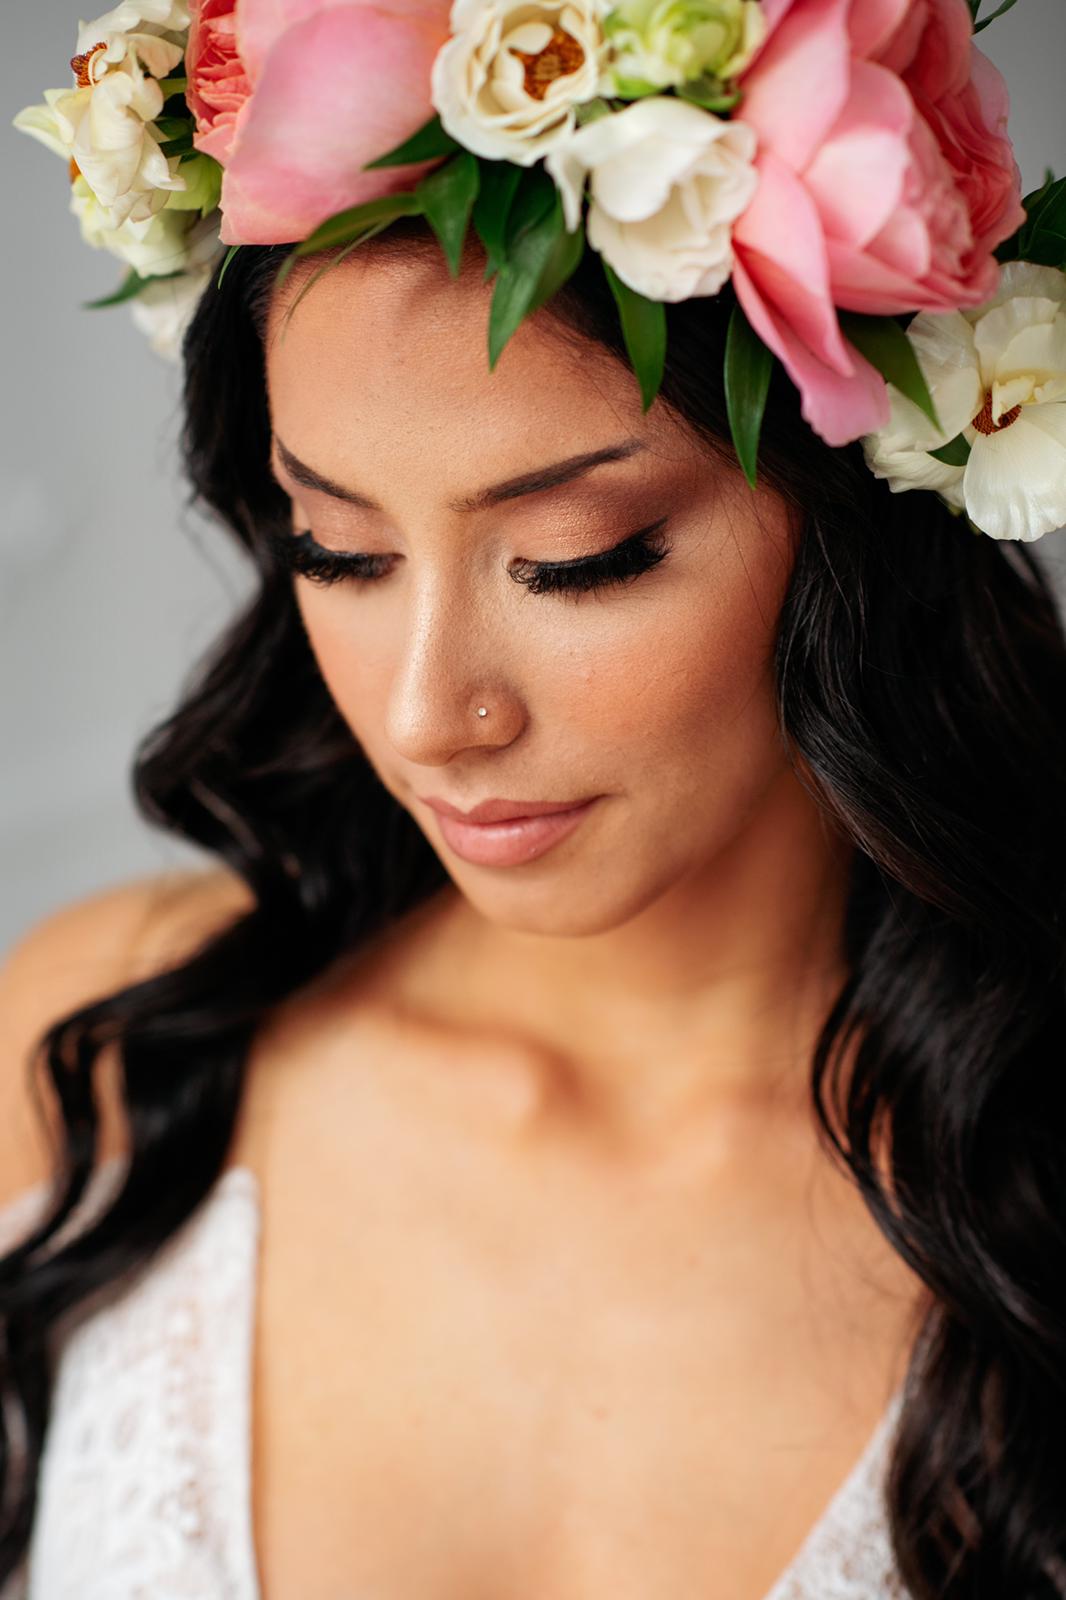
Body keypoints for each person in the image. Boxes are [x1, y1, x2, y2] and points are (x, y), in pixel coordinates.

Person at [3, 2, 1066, 1597]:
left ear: (854, 525)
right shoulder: (99, 1038)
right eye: (338, 551)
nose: (431, 713)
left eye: (577, 561)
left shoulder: (1027, 1193)